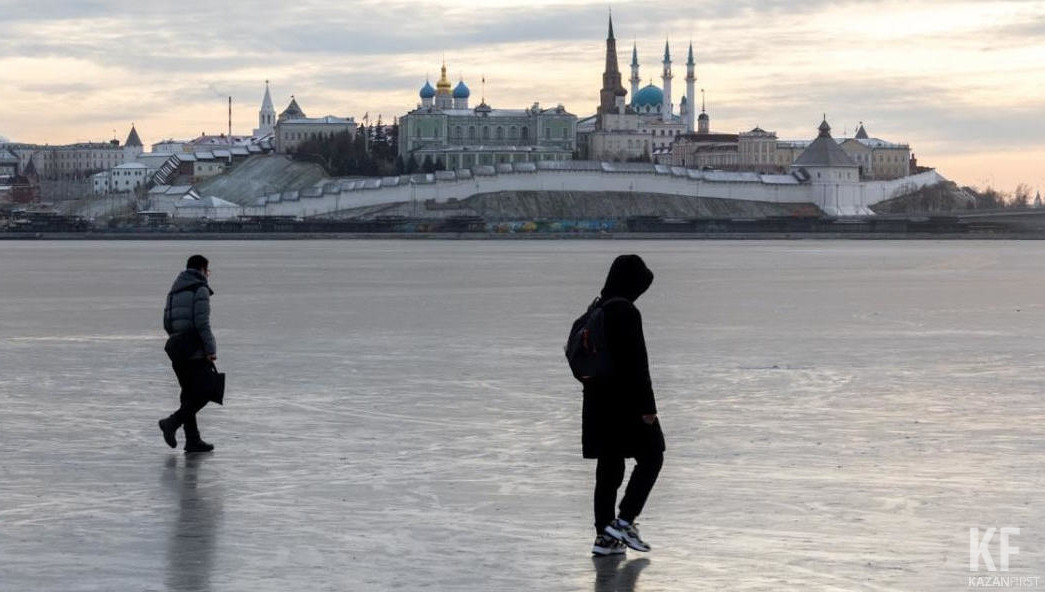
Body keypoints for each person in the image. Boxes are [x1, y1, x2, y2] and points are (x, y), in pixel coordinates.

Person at [584, 254, 665, 557]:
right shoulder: (626, 312)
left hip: (597, 401)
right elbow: (637, 364)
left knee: (609, 468)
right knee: (653, 456)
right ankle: (624, 522)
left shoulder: (598, 307)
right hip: (626, 403)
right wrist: (648, 408)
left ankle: (604, 537)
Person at [158, 254, 218, 453]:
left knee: (188, 394)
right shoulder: (199, 289)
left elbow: (167, 322)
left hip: (176, 348)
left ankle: (192, 440)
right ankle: (172, 422)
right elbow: (202, 322)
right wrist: (210, 349)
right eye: (207, 271)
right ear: (202, 269)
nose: (207, 275)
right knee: (206, 391)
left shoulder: (174, 291)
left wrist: (178, 337)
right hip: (194, 350)